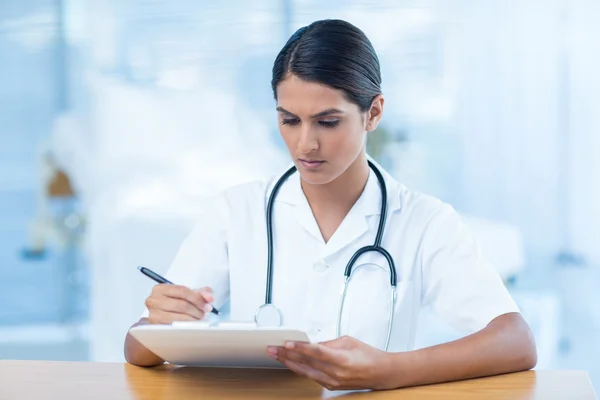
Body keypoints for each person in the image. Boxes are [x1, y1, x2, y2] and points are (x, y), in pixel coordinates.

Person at [124, 19, 537, 391]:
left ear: (373, 113)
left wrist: (389, 371)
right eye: (290, 120)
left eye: (327, 121)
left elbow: (516, 341)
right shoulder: (237, 210)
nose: (306, 144)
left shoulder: (424, 221)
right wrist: (157, 320)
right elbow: (137, 348)